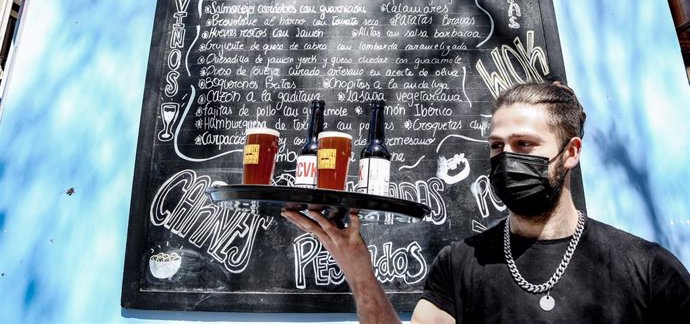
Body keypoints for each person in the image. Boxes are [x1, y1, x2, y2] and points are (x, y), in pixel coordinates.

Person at [282, 81, 690, 323]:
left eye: (525, 144)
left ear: (571, 152)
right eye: (498, 146)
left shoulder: (648, 269)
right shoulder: (460, 264)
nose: (507, 158)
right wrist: (358, 270)